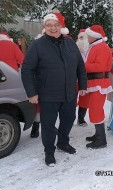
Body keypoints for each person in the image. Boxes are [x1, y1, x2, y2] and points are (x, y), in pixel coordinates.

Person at [21, 12, 87, 166]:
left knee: (69, 119)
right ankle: (49, 151)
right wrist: (31, 93)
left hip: (69, 92)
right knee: (49, 125)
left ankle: (63, 143)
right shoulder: (37, 45)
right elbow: (27, 69)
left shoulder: (70, 43)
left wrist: (83, 85)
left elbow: (80, 65)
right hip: (48, 94)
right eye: (49, 25)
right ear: (44, 27)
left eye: (56, 25)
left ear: (61, 26)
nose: (53, 28)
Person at [83, 25, 113, 149]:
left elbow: (100, 66)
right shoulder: (96, 46)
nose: (87, 37)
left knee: (96, 110)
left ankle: (101, 140)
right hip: (95, 83)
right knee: (95, 109)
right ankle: (98, 134)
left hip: (99, 83)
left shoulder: (101, 47)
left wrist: (83, 66)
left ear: (94, 36)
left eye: (88, 35)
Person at [76, 29, 89, 126]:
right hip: (73, 79)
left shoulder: (90, 50)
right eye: (80, 38)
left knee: (84, 99)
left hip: (85, 79)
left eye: (84, 38)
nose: (82, 40)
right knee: (71, 100)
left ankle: (81, 118)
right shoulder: (73, 49)